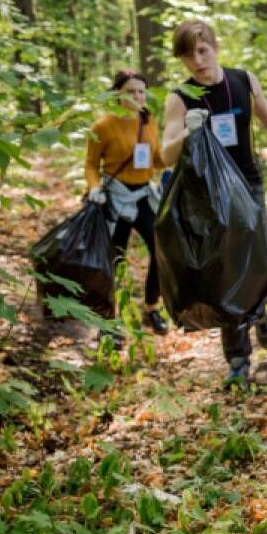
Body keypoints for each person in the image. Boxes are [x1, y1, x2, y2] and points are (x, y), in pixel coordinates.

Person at [159, 20, 267, 387]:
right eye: (188, 55)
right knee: (227, 277)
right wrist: (188, 131)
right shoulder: (180, 97)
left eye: (202, 50)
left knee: (257, 263)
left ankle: (260, 313)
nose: (197, 61)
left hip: (248, 188)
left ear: (215, 46)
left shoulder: (242, 81)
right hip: (207, 199)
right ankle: (238, 360)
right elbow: (164, 154)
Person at [84, 69, 169, 335]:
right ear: (117, 94)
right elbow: (90, 163)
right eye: (130, 91)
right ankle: (109, 320)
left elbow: (158, 160)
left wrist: (183, 143)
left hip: (144, 194)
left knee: (160, 250)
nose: (137, 96)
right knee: (114, 258)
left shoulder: (149, 120)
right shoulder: (103, 126)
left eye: (141, 91)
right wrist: (94, 187)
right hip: (115, 196)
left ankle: (152, 308)